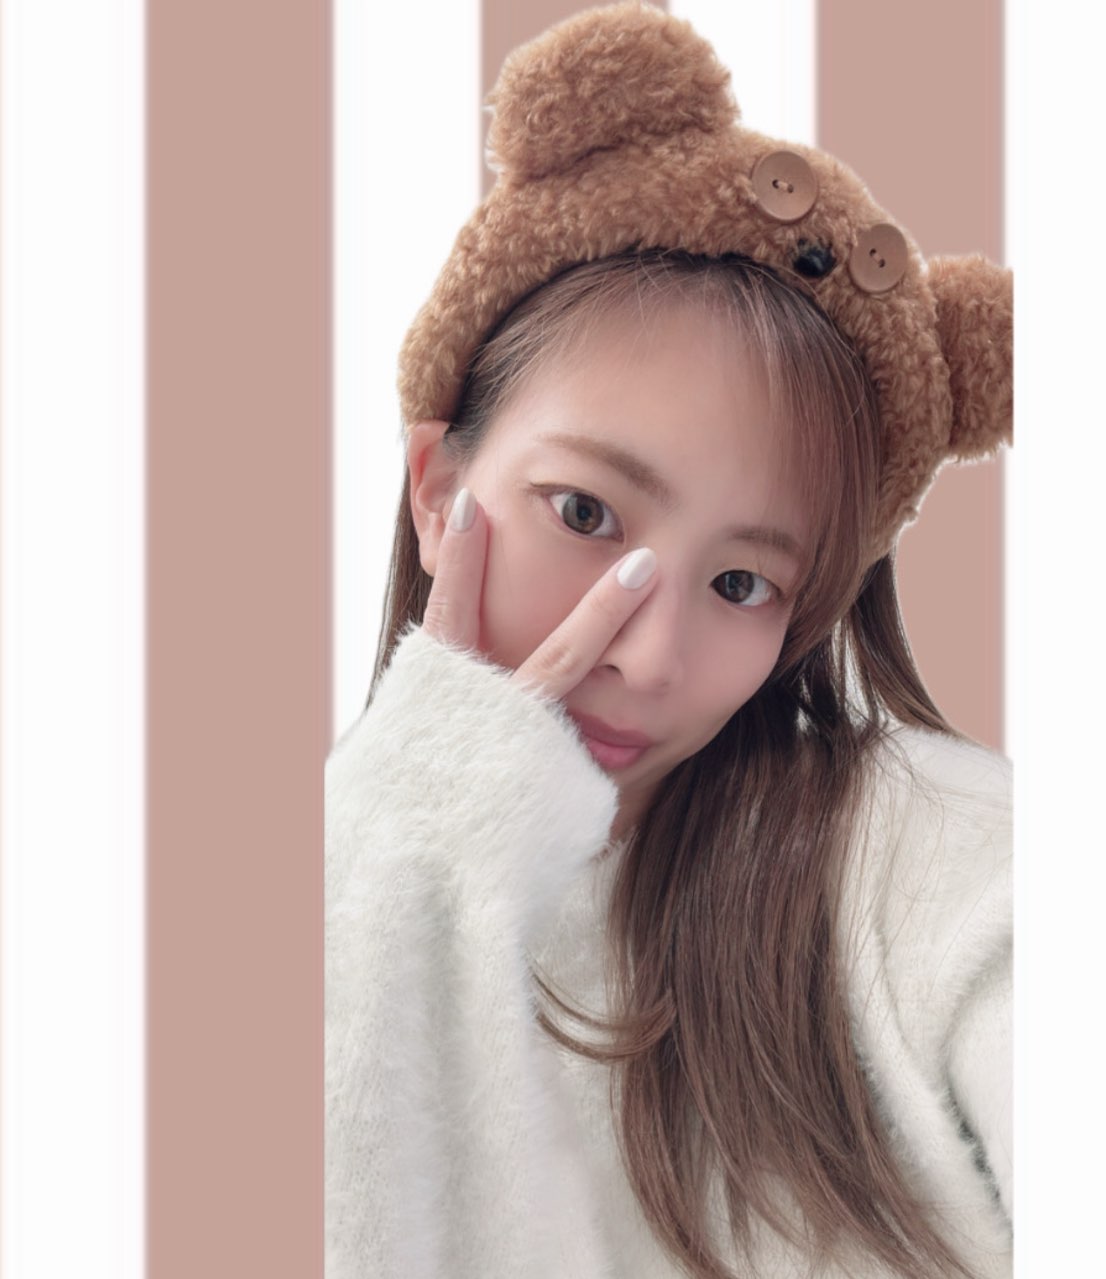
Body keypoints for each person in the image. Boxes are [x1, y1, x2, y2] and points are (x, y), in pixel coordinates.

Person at [325, 5, 1013, 1278]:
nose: (645, 659)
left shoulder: (935, 860)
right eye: (585, 514)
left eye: (742, 583)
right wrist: (408, 843)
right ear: (437, 487)